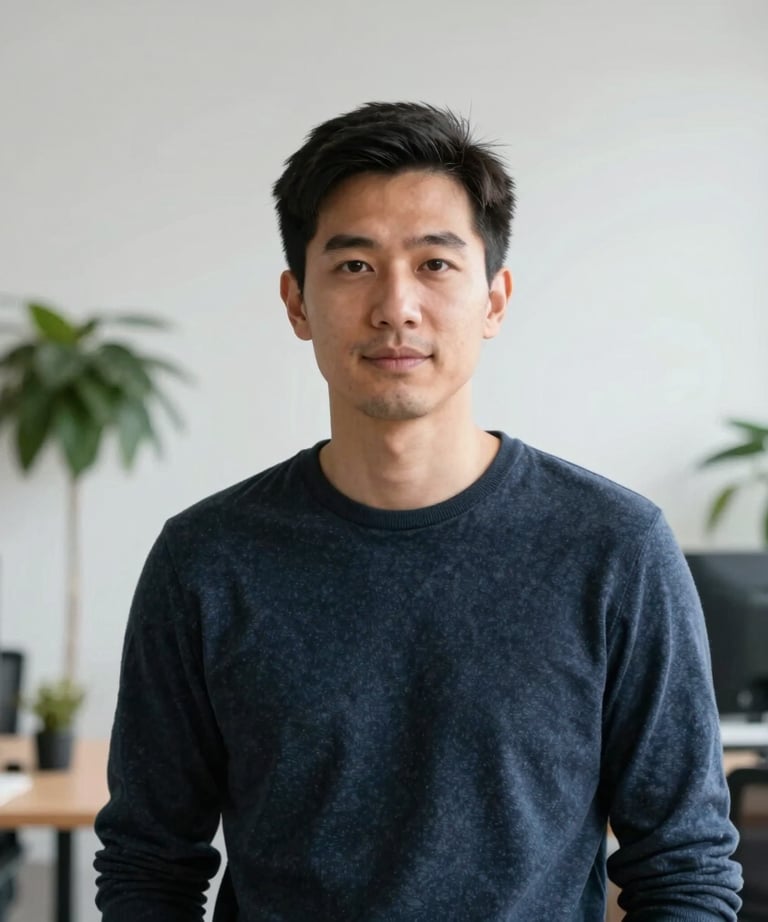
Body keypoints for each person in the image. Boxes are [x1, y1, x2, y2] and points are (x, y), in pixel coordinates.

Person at [94, 101, 742, 920]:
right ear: (297, 303)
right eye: (354, 265)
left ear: (495, 299)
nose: (396, 306)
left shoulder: (615, 546)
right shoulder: (207, 557)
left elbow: (684, 866)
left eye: (435, 264)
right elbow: (150, 865)